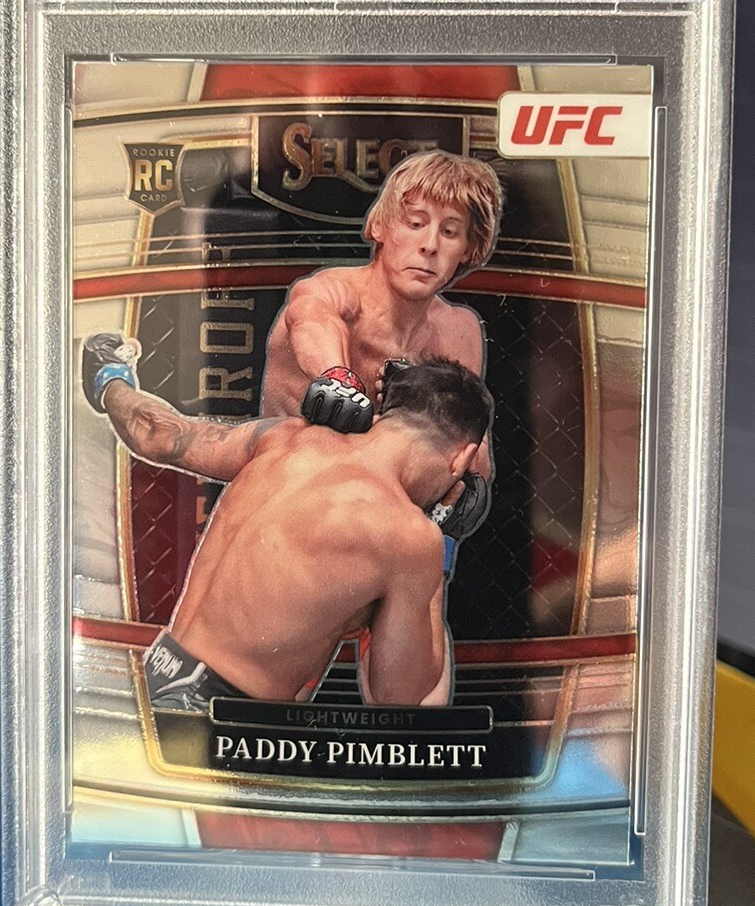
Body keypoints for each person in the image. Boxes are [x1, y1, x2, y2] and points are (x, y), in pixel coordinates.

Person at [82, 337, 493, 709]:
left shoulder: (283, 438)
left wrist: (111, 379)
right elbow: (399, 696)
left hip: (156, 674)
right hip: (218, 718)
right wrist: (442, 541)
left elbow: (160, 436)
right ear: (461, 457)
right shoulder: (409, 536)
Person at [260, 150, 504, 448]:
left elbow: (473, 452)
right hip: (292, 468)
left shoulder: (458, 331)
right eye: (415, 224)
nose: (430, 245)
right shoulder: (329, 291)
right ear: (379, 226)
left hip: (386, 476)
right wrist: (338, 379)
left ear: (467, 248)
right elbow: (311, 321)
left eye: (450, 232)